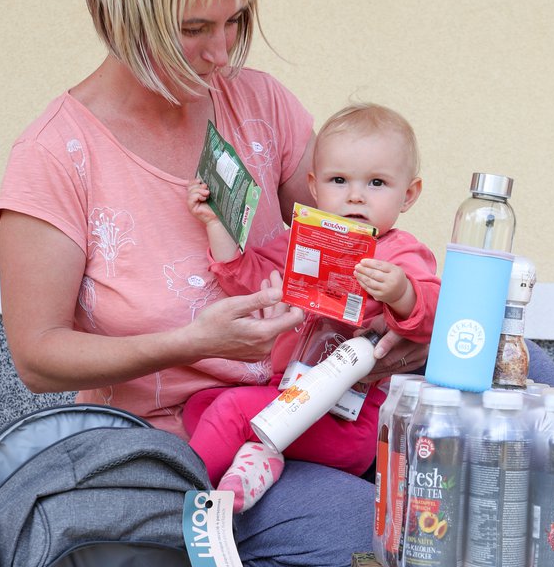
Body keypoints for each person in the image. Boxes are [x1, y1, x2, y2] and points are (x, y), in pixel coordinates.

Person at [0, 0, 554, 567]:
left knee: (530, 372)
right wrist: (194, 341)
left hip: (319, 385)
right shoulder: (55, 156)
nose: (223, 52)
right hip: (196, 440)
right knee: (396, 541)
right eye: (195, 28)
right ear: (123, 17)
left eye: (236, 22)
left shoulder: (256, 103)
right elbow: (37, 356)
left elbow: (351, 235)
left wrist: (404, 319)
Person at [184, 103, 441, 511]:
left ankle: (169, 505)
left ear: (408, 195)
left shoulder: (400, 253)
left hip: (346, 420)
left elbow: (431, 313)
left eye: (377, 183)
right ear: (315, 188)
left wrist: (401, 293)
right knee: (200, 406)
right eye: (339, 180)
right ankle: (258, 462)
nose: (355, 195)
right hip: (286, 393)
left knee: (230, 411)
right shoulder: (300, 242)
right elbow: (247, 278)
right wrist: (216, 225)